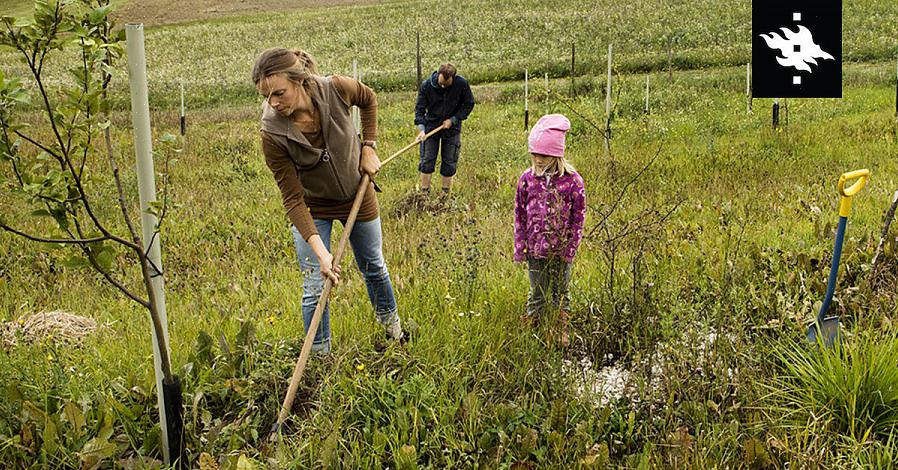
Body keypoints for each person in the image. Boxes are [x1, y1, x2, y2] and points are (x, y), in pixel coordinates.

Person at [252, 48, 404, 353]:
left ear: (299, 81)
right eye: (266, 97)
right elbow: (292, 199)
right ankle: (320, 357)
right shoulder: (272, 133)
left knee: (373, 266)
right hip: (312, 208)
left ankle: (394, 333)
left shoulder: (335, 88)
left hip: (357, 196)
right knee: (314, 286)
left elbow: (368, 98)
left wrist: (369, 146)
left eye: (279, 93)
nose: (273, 103)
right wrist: (322, 254)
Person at [513, 114, 586, 347]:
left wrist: (571, 248)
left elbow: (578, 217)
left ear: (556, 154)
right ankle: (532, 327)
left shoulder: (572, 181)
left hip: (561, 249)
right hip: (534, 249)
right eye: (534, 154)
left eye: (543, 155)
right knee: (537, 291)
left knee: (560, 292)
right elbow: (519, 215)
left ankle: (559, 327)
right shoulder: (527, 179)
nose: (538, 159)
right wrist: (520, 246)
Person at [414, 63, 475, 194]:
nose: (442, 86)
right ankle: (424, 194)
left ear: (453, 78)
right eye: (440, 83)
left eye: (445, 85)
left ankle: (445, 196)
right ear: (438, 75)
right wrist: (421, 129)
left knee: (449, 161)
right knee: (427, 161)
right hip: (431, 128)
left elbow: (468, 104)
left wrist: (454, 119)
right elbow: (419, 109)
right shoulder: (427, 86)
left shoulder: (461, 84)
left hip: (452, 130)